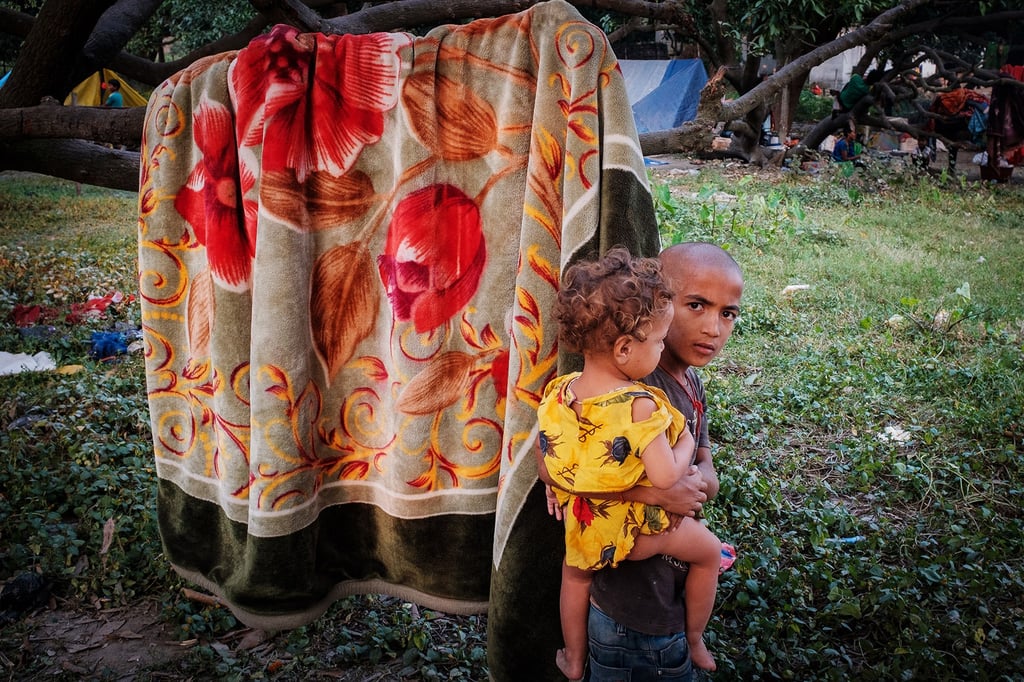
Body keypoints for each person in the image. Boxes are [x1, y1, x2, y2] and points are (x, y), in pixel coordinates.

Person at [540, 242, 744, 682]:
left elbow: (704, 466)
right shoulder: (638, 397)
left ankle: (574, 658)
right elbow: (667, 476)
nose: (713, 327)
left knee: (576, 578)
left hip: (619, 559)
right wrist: (661, 485)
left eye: (728, 313)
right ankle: (695, 638)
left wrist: (700, 478)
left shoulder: (685, 383)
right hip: (634, 603)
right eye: (696, 305)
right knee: (708, 554)